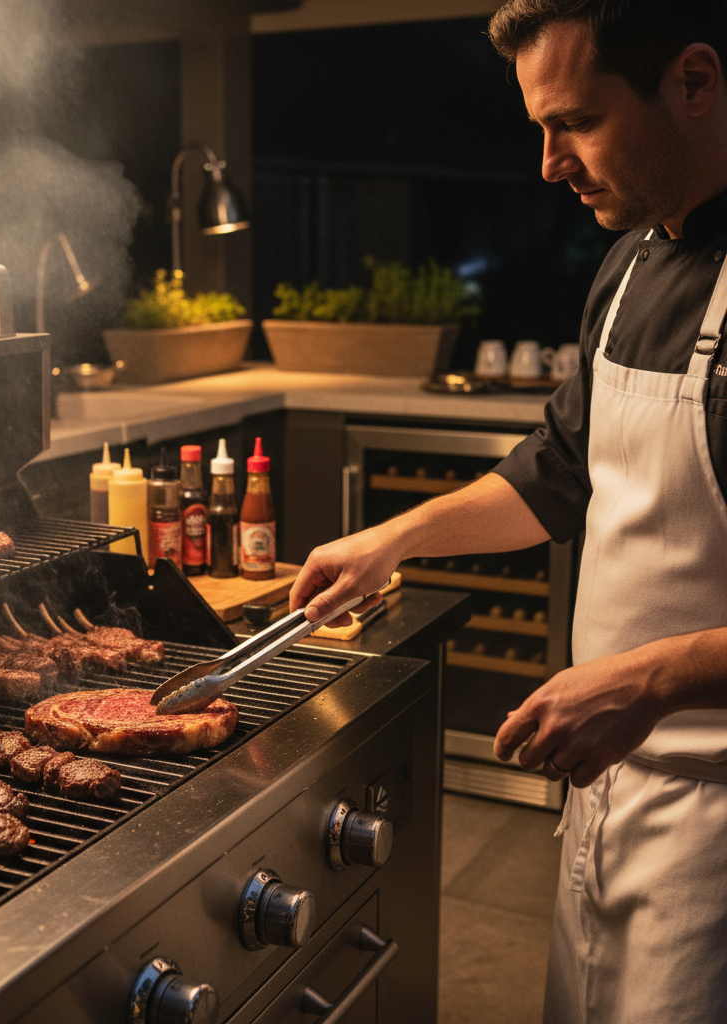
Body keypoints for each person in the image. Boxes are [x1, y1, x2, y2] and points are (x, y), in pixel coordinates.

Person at [289, 2, 727, 1021]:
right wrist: (392, 537)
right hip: (611, 792)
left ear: (693, 83)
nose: (546, 164)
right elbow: (558, 472)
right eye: (538, 129)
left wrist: (655, 677)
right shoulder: (625, 265)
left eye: (571, 122)